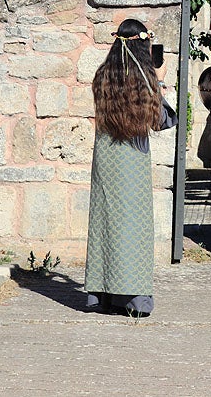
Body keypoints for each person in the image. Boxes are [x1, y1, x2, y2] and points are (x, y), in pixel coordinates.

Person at [85, 19, 177, 316]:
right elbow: (161, 120)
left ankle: (100, 297)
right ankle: (134, 299)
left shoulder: (102, 75)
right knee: (134, 226)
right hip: (132, 159)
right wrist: (159, 80)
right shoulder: (144, 78)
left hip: (105, 156)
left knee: (105, 222)